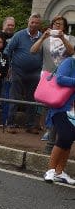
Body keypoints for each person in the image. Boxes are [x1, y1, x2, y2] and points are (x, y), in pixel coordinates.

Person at [30, 15, 75, 146]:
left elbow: (72, 51)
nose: (57, 25)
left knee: (62, 103)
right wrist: (43, 37)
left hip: (64, 77)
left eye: (60, 24)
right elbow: (32, 51)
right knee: (46, 103)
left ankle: (58, 130)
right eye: (55, 23)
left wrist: (62, 37)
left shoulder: (70, 38)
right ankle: (48, 130)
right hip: (48, 77)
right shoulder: (45, 39)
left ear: (65, 26)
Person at [5, 13, 43, 133]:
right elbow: (8, 51)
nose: (34, 25)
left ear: (39, 24)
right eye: (32, 22)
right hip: (18, 71)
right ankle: (10, 124)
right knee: (14, 97)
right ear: (28, 22)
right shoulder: (19, 35)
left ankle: (30, 125)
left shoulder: (42, 37)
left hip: (35, 73)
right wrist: (9, 67)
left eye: (37, 23)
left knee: (32, 100)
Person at [43, 56, 75, 184]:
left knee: (69, 139)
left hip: (73, 110)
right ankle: (50, 170)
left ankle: (59, 172)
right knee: (64, 137)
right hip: (62, 106)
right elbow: (60, 79)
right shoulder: (70, 62)